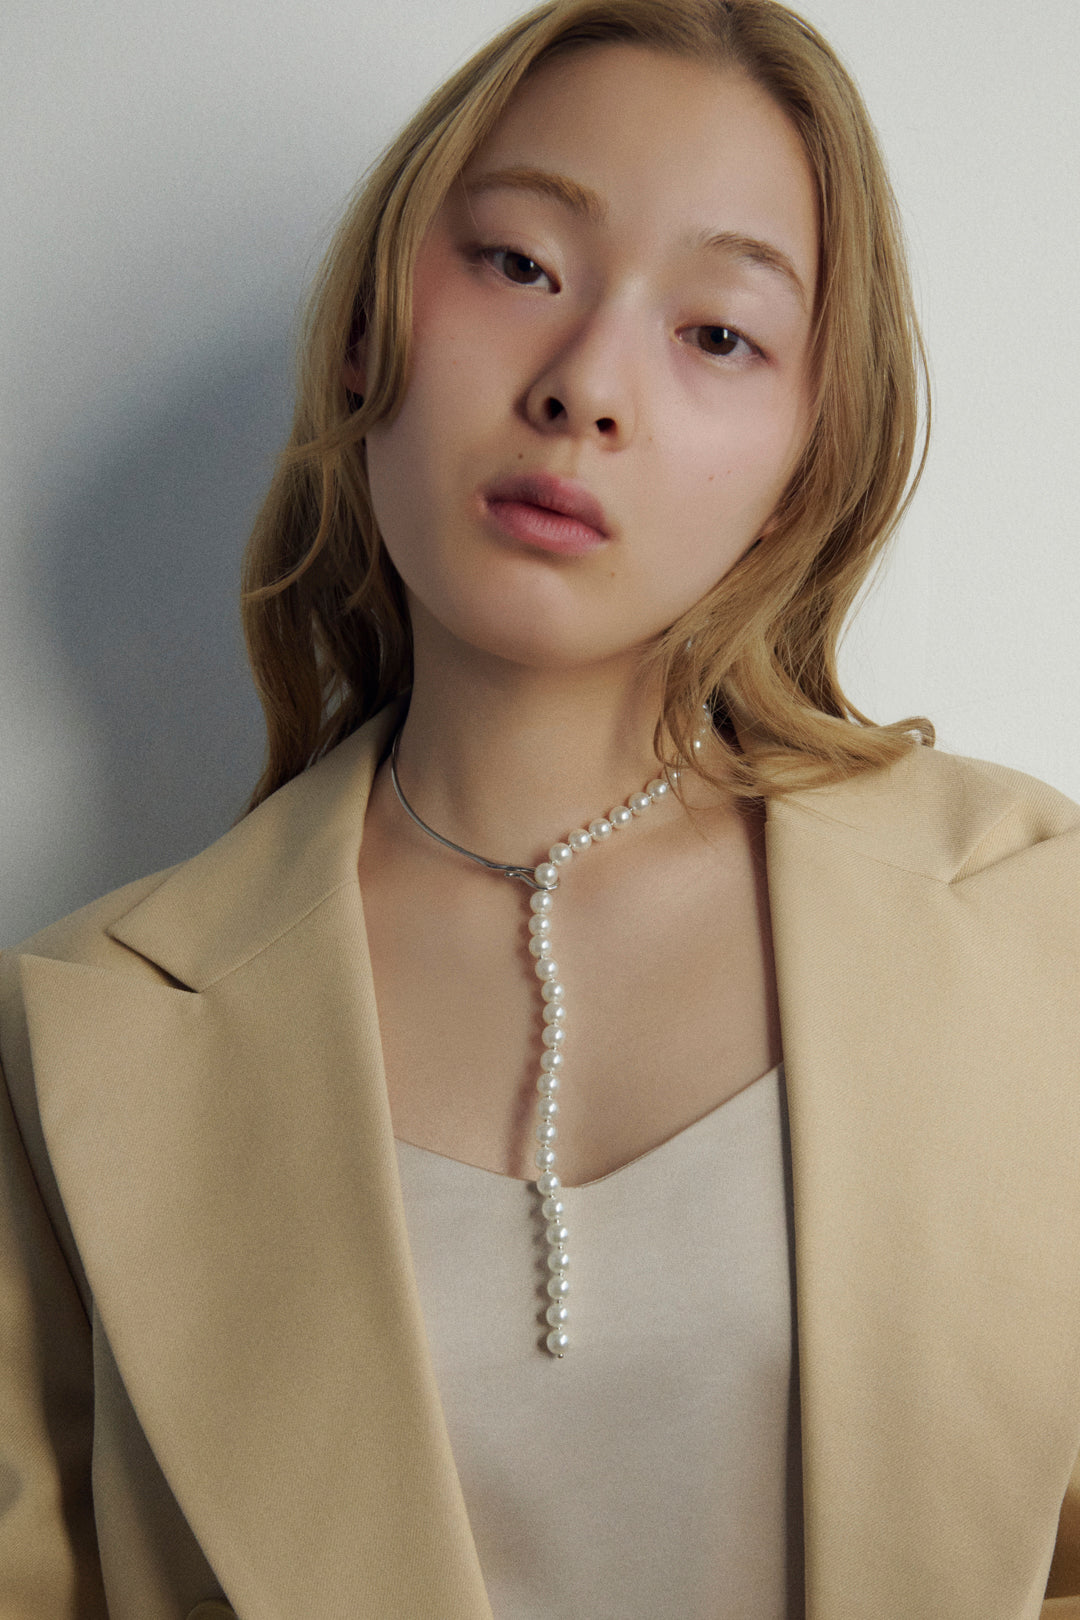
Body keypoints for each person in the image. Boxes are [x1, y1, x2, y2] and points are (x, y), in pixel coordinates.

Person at [1, 0, 1079, 1615]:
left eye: (718, 334)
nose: (587, 387)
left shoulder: (1037, 927)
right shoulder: (78, 1036)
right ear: (369, 331)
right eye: (520, 263)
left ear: (803, 460)